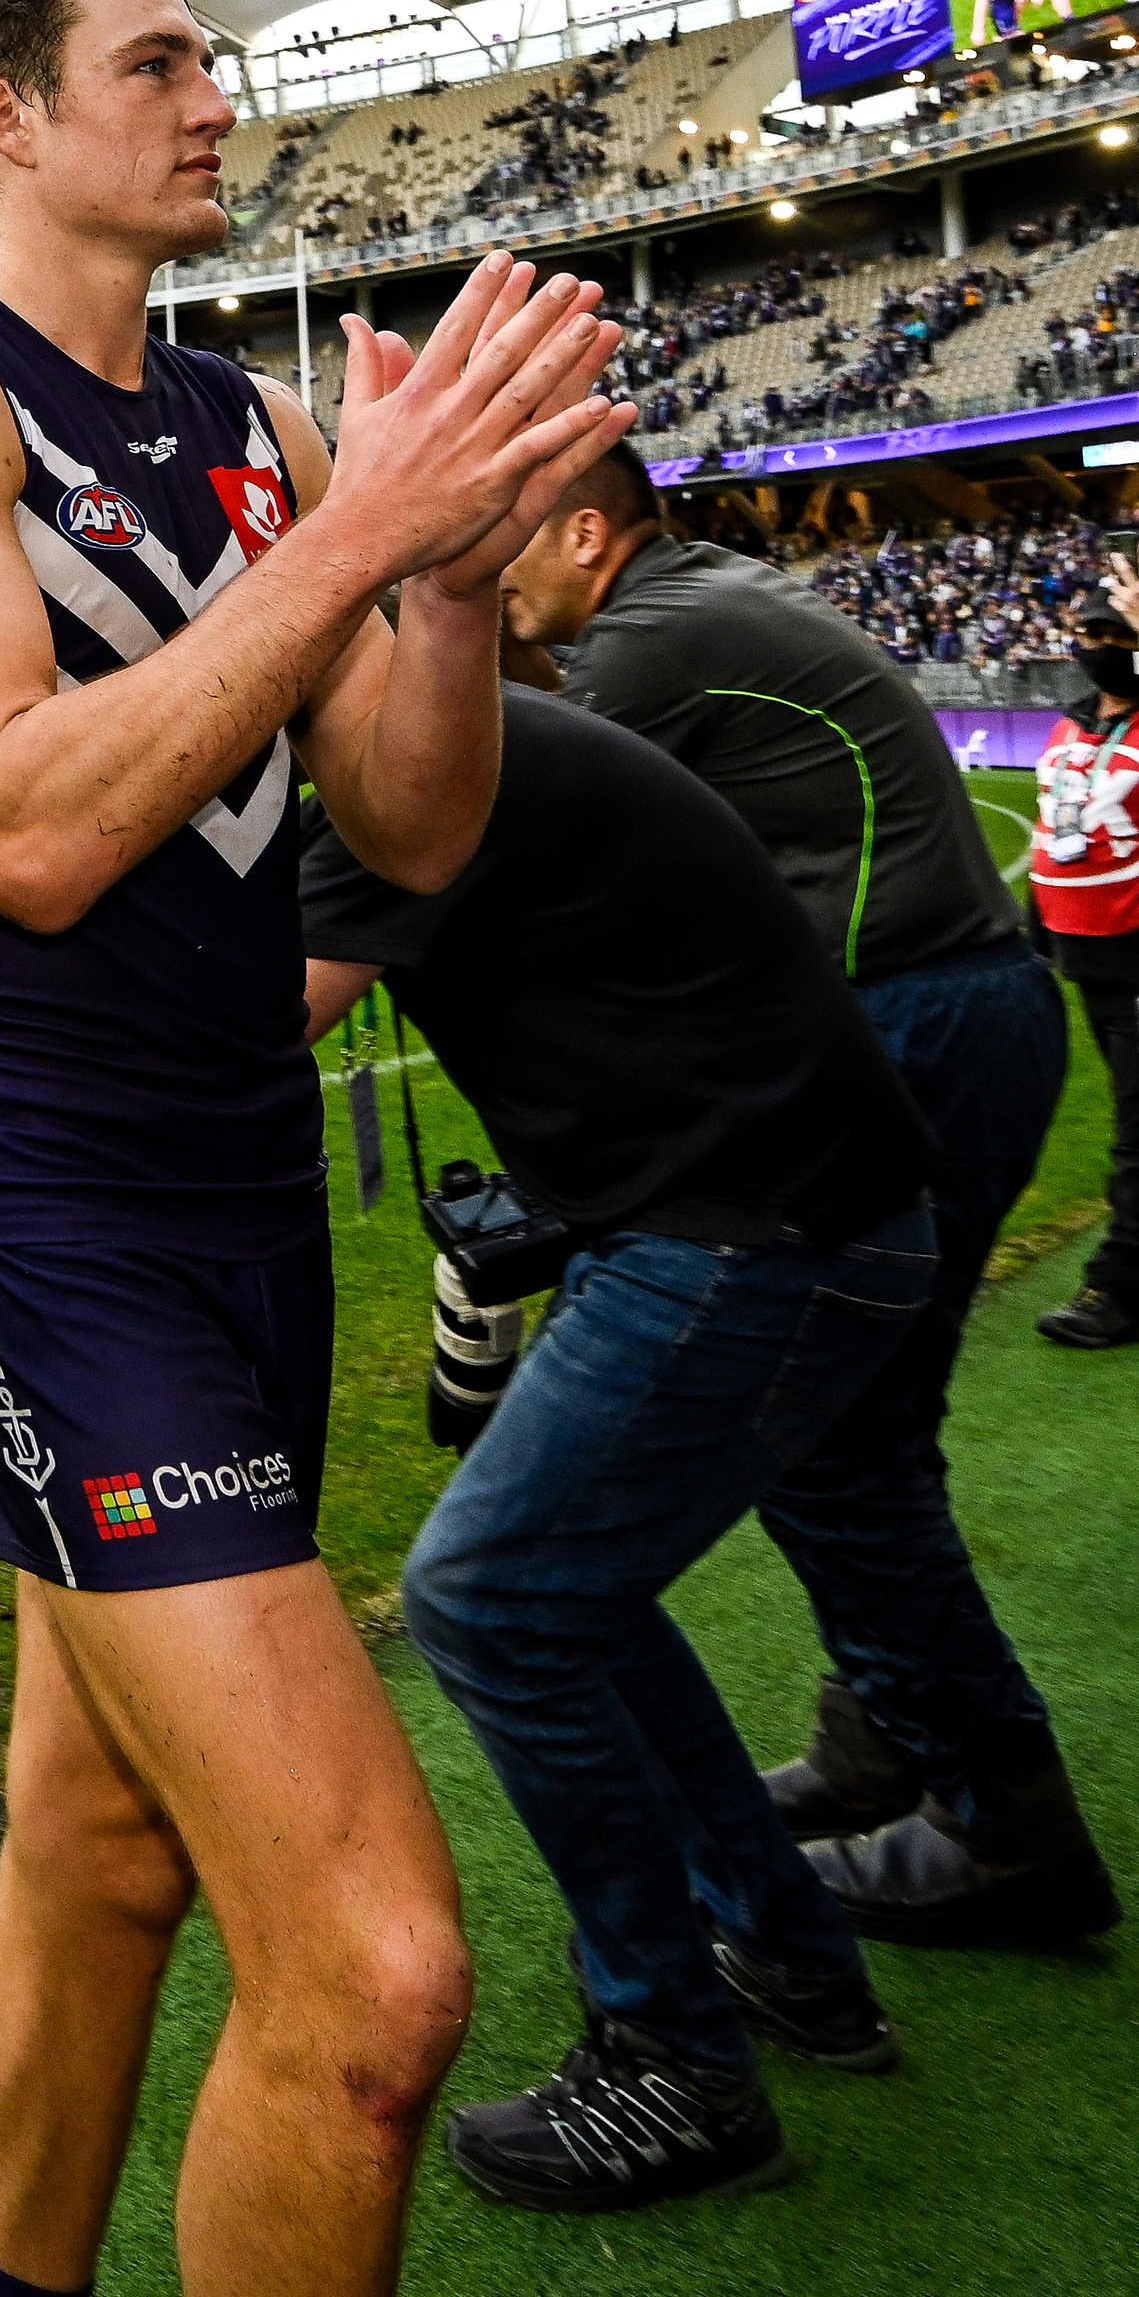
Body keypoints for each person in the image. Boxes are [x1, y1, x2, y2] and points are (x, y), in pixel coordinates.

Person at [0, 0, 624, 2297]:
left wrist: (439, 583)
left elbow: (410, 819)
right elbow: (25, 829)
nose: (209, 95)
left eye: (209, 57)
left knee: (100, 1843)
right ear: (4, 121)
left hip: (236, 1178)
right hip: (37, 1188)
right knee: (370, 1980)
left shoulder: (236, 429)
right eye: (149, 60)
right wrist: (354, 536)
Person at [304, 685, 942, 2212]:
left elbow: (229, 1038)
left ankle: (675, 2059)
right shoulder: (454, 731)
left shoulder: (408, 771)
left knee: (492, 1600)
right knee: (560, 1594)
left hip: (750, 1236)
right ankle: (781, 1956)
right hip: (759, 1215)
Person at [497, 448, 1114, 1950]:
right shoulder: (682, 601)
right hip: (943, 1018)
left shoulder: (645, 637)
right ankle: (891, 1746)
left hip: (912, 1024)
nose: (477, 565)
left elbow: (474, 816)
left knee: (838, 1450)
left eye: (494, 536)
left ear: (585, 533)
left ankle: (1002, 1829)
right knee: (855, 1435)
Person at [1026, 591, 1139, 1350]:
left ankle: (1121, 1288)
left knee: (1138, 1127)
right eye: (1087, 632)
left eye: (1115, 633)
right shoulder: (1071, 723)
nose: (1095, 645)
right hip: (1086, 954)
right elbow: (1051, 828)